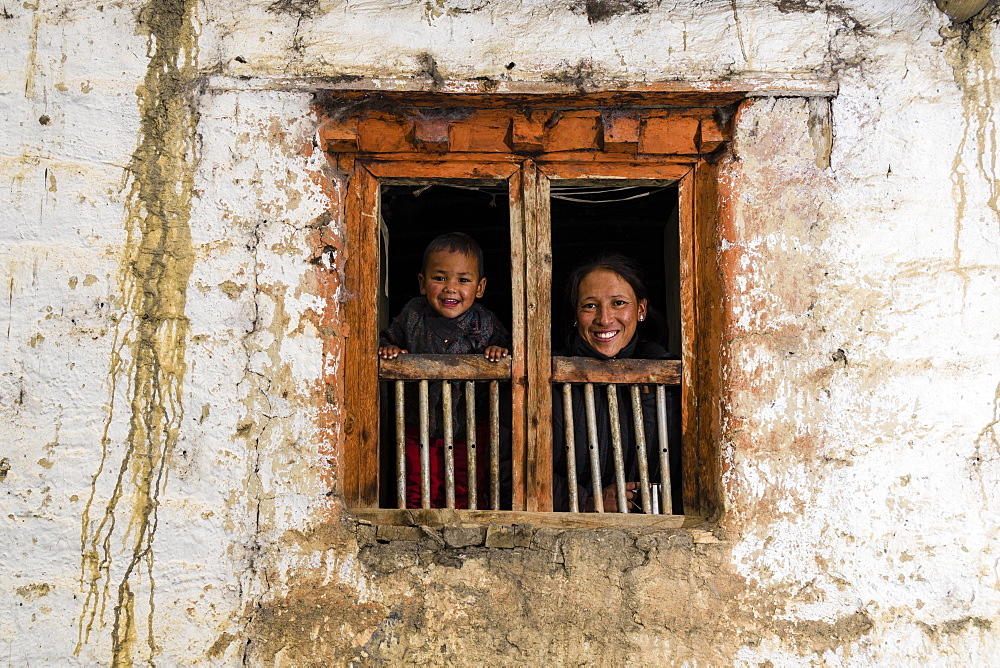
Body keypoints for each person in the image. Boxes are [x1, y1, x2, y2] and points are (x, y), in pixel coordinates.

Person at [379, 232, 511, 508]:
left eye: (463, 280)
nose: (450, 288)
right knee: (416, 483)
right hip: (418, 422)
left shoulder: (484, 323)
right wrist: (390, 349)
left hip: (470, 426)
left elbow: (508, 349)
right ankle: (413, 531)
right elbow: (388, 339)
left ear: (480, 287)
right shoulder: (414, 315)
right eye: (440, 278)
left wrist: (498, 352)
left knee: (466, 485)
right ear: (422, 283)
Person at [552, 254, 682, 513]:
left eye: (618, 303)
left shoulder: (669, 379)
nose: (605, 318)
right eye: (590, 306)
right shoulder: (552, 379)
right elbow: (519, 464)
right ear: (576, 314)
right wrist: (588, 503)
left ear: (641, 310)